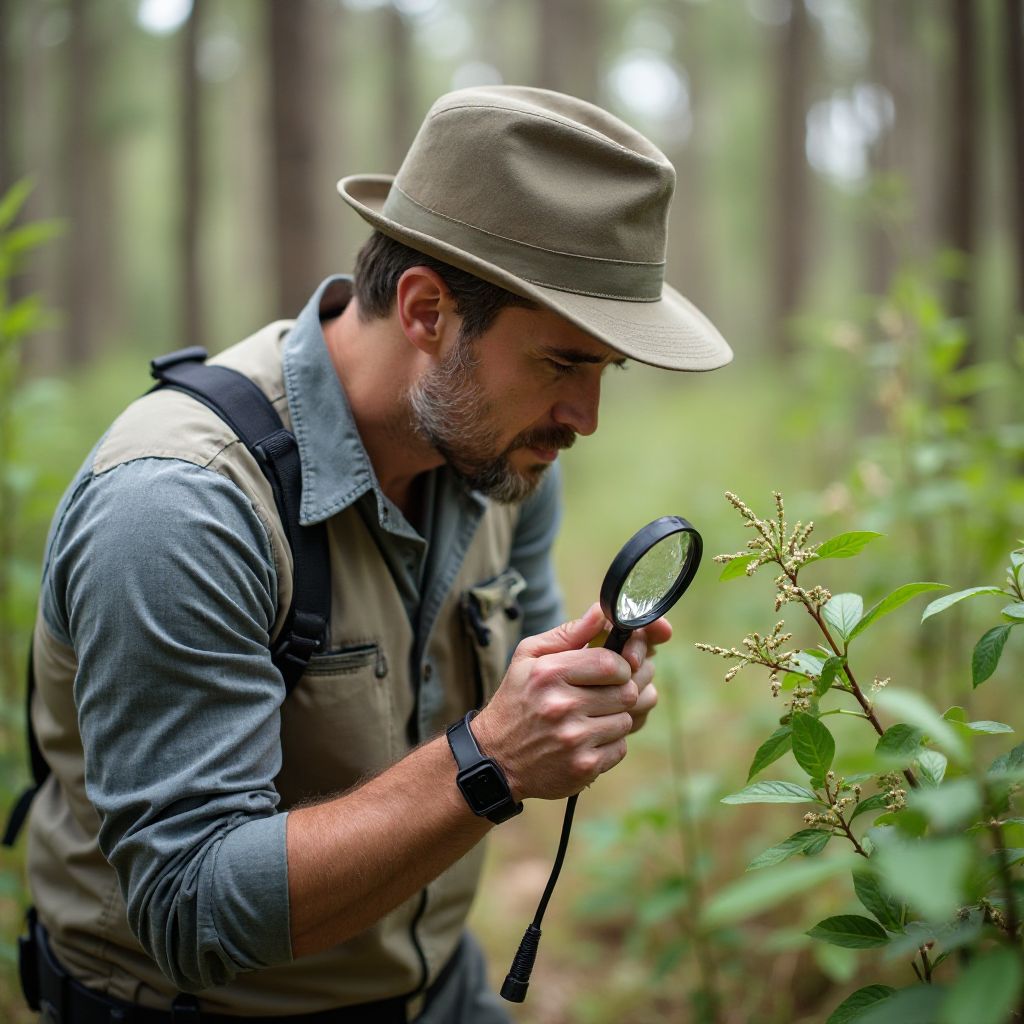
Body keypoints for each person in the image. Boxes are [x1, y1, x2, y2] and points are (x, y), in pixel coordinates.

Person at [19, 85, 732, 1022]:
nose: (585, 420)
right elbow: (187, 910)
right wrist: (493, 760)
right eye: (562, 363)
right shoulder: (179, 506)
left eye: (606, 370)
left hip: (438, 990)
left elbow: (505, 711)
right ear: (427, 310)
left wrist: (566, 702)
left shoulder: (508, 462)